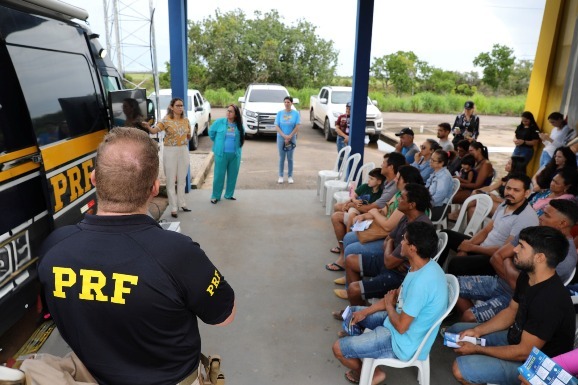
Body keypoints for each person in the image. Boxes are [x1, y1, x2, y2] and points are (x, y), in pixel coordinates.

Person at [37, 127, 236, 385]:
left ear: (94, 178)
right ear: (154, 187)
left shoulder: (55, 248)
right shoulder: (178, 254)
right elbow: (224, 315)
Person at [448, 226, 576, 385]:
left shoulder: (550, 300)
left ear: (540, 258)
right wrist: (477, 330)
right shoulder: (528, 276)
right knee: (456, 333)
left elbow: (524, 352)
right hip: (517, 338)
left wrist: (477, 349)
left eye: (522, 246)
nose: (515, 249)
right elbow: (511, 311)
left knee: (460, 369)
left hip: (534, 364)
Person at [332, 221, 448, 385]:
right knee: (351, 313)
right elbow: (395, 297)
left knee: (338, 348)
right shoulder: (421, 266)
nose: (401, 242)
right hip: (397, 322)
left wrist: (387, 305)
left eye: (404, 239)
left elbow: (401, 326)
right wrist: (365, 311)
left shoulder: (421, 284)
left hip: (402, 342)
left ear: (413, 248)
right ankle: (365, 358)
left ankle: (373, 373)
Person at [454, 199, 578, 323]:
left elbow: (525, 290)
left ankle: (478, 329)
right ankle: (477, 327)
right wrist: (513, 275)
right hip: (499, 282)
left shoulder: (565, 257)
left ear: (562, 223)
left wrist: (508, 260)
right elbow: (496, 257)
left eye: (546, 215)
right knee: (452, 287)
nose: (540, 217)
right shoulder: (531, 233)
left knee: (468, 316)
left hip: (518, 300)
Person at [337, 183, 433, 305]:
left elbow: (389, 262)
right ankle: (359, 309)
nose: (398, 199)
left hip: (401, 277)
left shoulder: (420, 229)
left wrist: (391, 254)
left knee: (354, 289)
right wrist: (392, 251)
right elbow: (388, 239)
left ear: (412, 205)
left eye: (402, 198)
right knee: (350, 260)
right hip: (392, 264)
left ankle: (358, 316)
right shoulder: (407, 216)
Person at [439, 174, 539, 276]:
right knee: (445, 235)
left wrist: (471, 248)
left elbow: (503, 252)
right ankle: (434, 272)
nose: (510, 193)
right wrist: (467, 245)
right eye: (508, 188)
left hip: (495, 258)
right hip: (482, 247)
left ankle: (450, 287)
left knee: (456, 264)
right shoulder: (504, 204)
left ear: (526, 193)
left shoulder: (525, 217)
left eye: (516, 190)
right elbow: (486, 230)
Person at [327, 153, 404, 271]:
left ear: (391, 167)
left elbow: (375, 210)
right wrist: (356, 204)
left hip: (379, 225)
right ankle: (343, 250)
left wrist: (356, 206)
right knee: (339, 208)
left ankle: (345, 256)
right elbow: (378, 209)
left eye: (384, 163)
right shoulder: (387, 183)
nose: (381, 165)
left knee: (338, 217)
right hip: (375, 217)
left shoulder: (394, 189)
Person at [148, 97, 192, 218]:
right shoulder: (166, 120)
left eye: (182, 105)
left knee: (182, 179)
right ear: (171, 107)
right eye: (177, 105)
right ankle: (173, 207)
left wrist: (182, 139)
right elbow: (154, 131)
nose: (180, 108)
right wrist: (148, 127)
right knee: (171, 180)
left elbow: (189, 136)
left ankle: (182, 203)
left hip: (183, 150)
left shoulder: (186, 120)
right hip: (170, 151)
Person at [208, 104, 244, 204]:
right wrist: (218, 142)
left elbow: (242, 137)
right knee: (219, 175)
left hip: (235, 155)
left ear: (236, 114)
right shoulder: (219, 122)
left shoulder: (239, 126)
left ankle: (229, 194)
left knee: (233, 176)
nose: (228, 113)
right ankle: (215, 196)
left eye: (231, 111)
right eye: (228, 110)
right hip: (221, 154)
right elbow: (211, 132)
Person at [331, 168, 385, 234]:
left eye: (371, 179)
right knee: (337, 206)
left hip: (363, 211)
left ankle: (348, 234)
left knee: (351, 215)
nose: (369, 180)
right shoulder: (365, 186)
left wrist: (352, 204)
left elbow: (371, 209)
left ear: (379, 182)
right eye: (369, 178)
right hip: (356, 207)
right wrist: (354, 201)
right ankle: (343, 228)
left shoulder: (380, 194)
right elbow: (353, 195)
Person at [275, 96, 300, 184]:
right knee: (282, 157)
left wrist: (289, 136)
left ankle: (290, 176)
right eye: (285, 102)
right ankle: (281, 176)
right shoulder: (280, 113)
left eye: (288, 102)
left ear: (291, 103)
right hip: (281, 137)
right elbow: (277, 126)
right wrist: (284, 136)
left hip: (291, 138)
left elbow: (297, 126)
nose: (286, 104)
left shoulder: (296, 113)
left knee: (290, 158)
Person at [426, 149, 454, 221]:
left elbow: (439, 197)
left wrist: (424, 204)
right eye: (431, 159)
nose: (430, 161)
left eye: (433, 160)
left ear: (441, 163)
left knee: (412, 211)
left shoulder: (444, 176)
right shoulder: (436, 172)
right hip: (432, 204)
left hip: (438, 208)